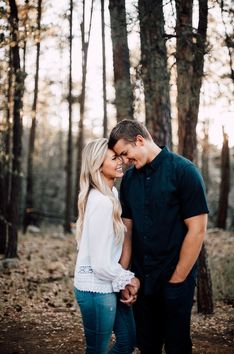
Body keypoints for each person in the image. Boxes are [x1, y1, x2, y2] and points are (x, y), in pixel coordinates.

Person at [108, 119, 209, 354]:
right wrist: (124, 276)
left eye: (125, 153)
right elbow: (128, 231)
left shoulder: (184, 171)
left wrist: (177, 279)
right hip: (142, 279)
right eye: (119, 157)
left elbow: (198, 230)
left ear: (140, 140)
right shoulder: (130, 181)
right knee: (147, 345)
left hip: (176, 278)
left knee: (177, 346)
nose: (124, 161)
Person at [74, 138, 139, 354]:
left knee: (127, 341)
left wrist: (122, 282)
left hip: (109, 283)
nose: (121, 161)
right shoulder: (100, 202)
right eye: (113, 158)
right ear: (97, 166)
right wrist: (129, 279)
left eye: (120, 156)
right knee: (97, 350)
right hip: (95, 288)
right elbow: (100, 264)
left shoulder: (112, 195)